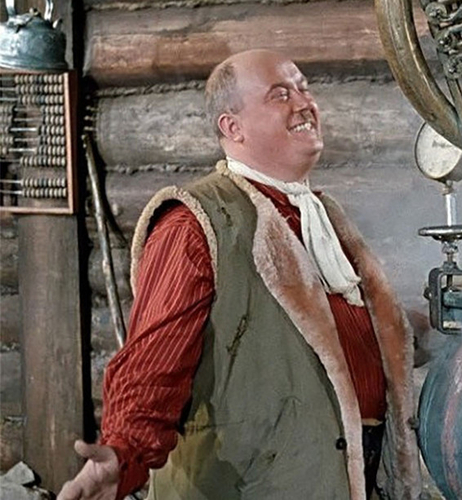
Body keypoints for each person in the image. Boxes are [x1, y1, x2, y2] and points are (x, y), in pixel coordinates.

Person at [57, 49, 422, 500]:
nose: (304, 103)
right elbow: (153, 361)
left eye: (304, 89)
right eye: (280, 95)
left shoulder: (321, 217)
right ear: (233, 127)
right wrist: (123, 453)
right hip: (249, 485)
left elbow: (343, 334)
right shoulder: (196, 223)